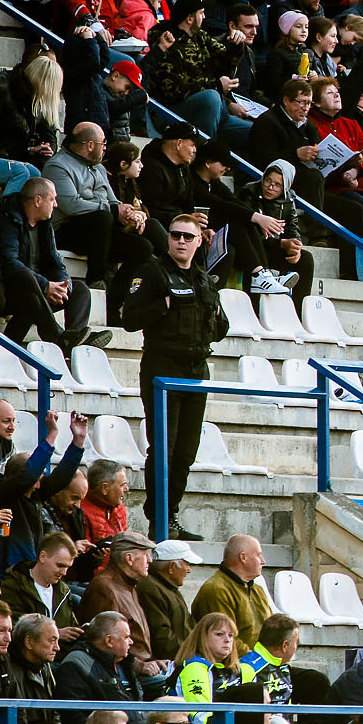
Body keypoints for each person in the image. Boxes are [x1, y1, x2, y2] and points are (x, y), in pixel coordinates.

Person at [120, 207, 220, 536]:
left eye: (187, 237)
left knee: (185, 453)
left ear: (198, 243)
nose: (179, 241)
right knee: (163, 448)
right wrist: (161, 307)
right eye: (174, 235)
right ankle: (158, 519)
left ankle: (171, 516)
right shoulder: (151, 271)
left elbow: (220, 327)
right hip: (162, 369)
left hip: (195, 371)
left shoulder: (203, 278)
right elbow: (129, 319)